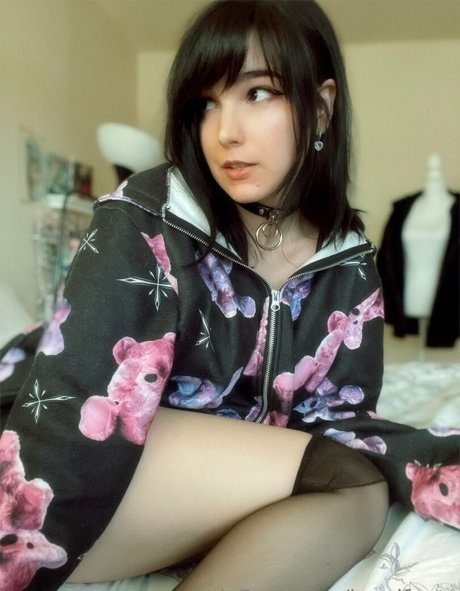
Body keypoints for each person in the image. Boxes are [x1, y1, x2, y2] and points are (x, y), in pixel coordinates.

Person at [1, 1, 458, 590]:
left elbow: (338, 420)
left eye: (258, 93)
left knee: (359, 490)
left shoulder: (349, 260)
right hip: (56, 453)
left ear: (321, 109)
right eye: (206, 104)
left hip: (186, 482)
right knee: (349, 484)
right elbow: (72, 403)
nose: (225, 133)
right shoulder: (144, 217)